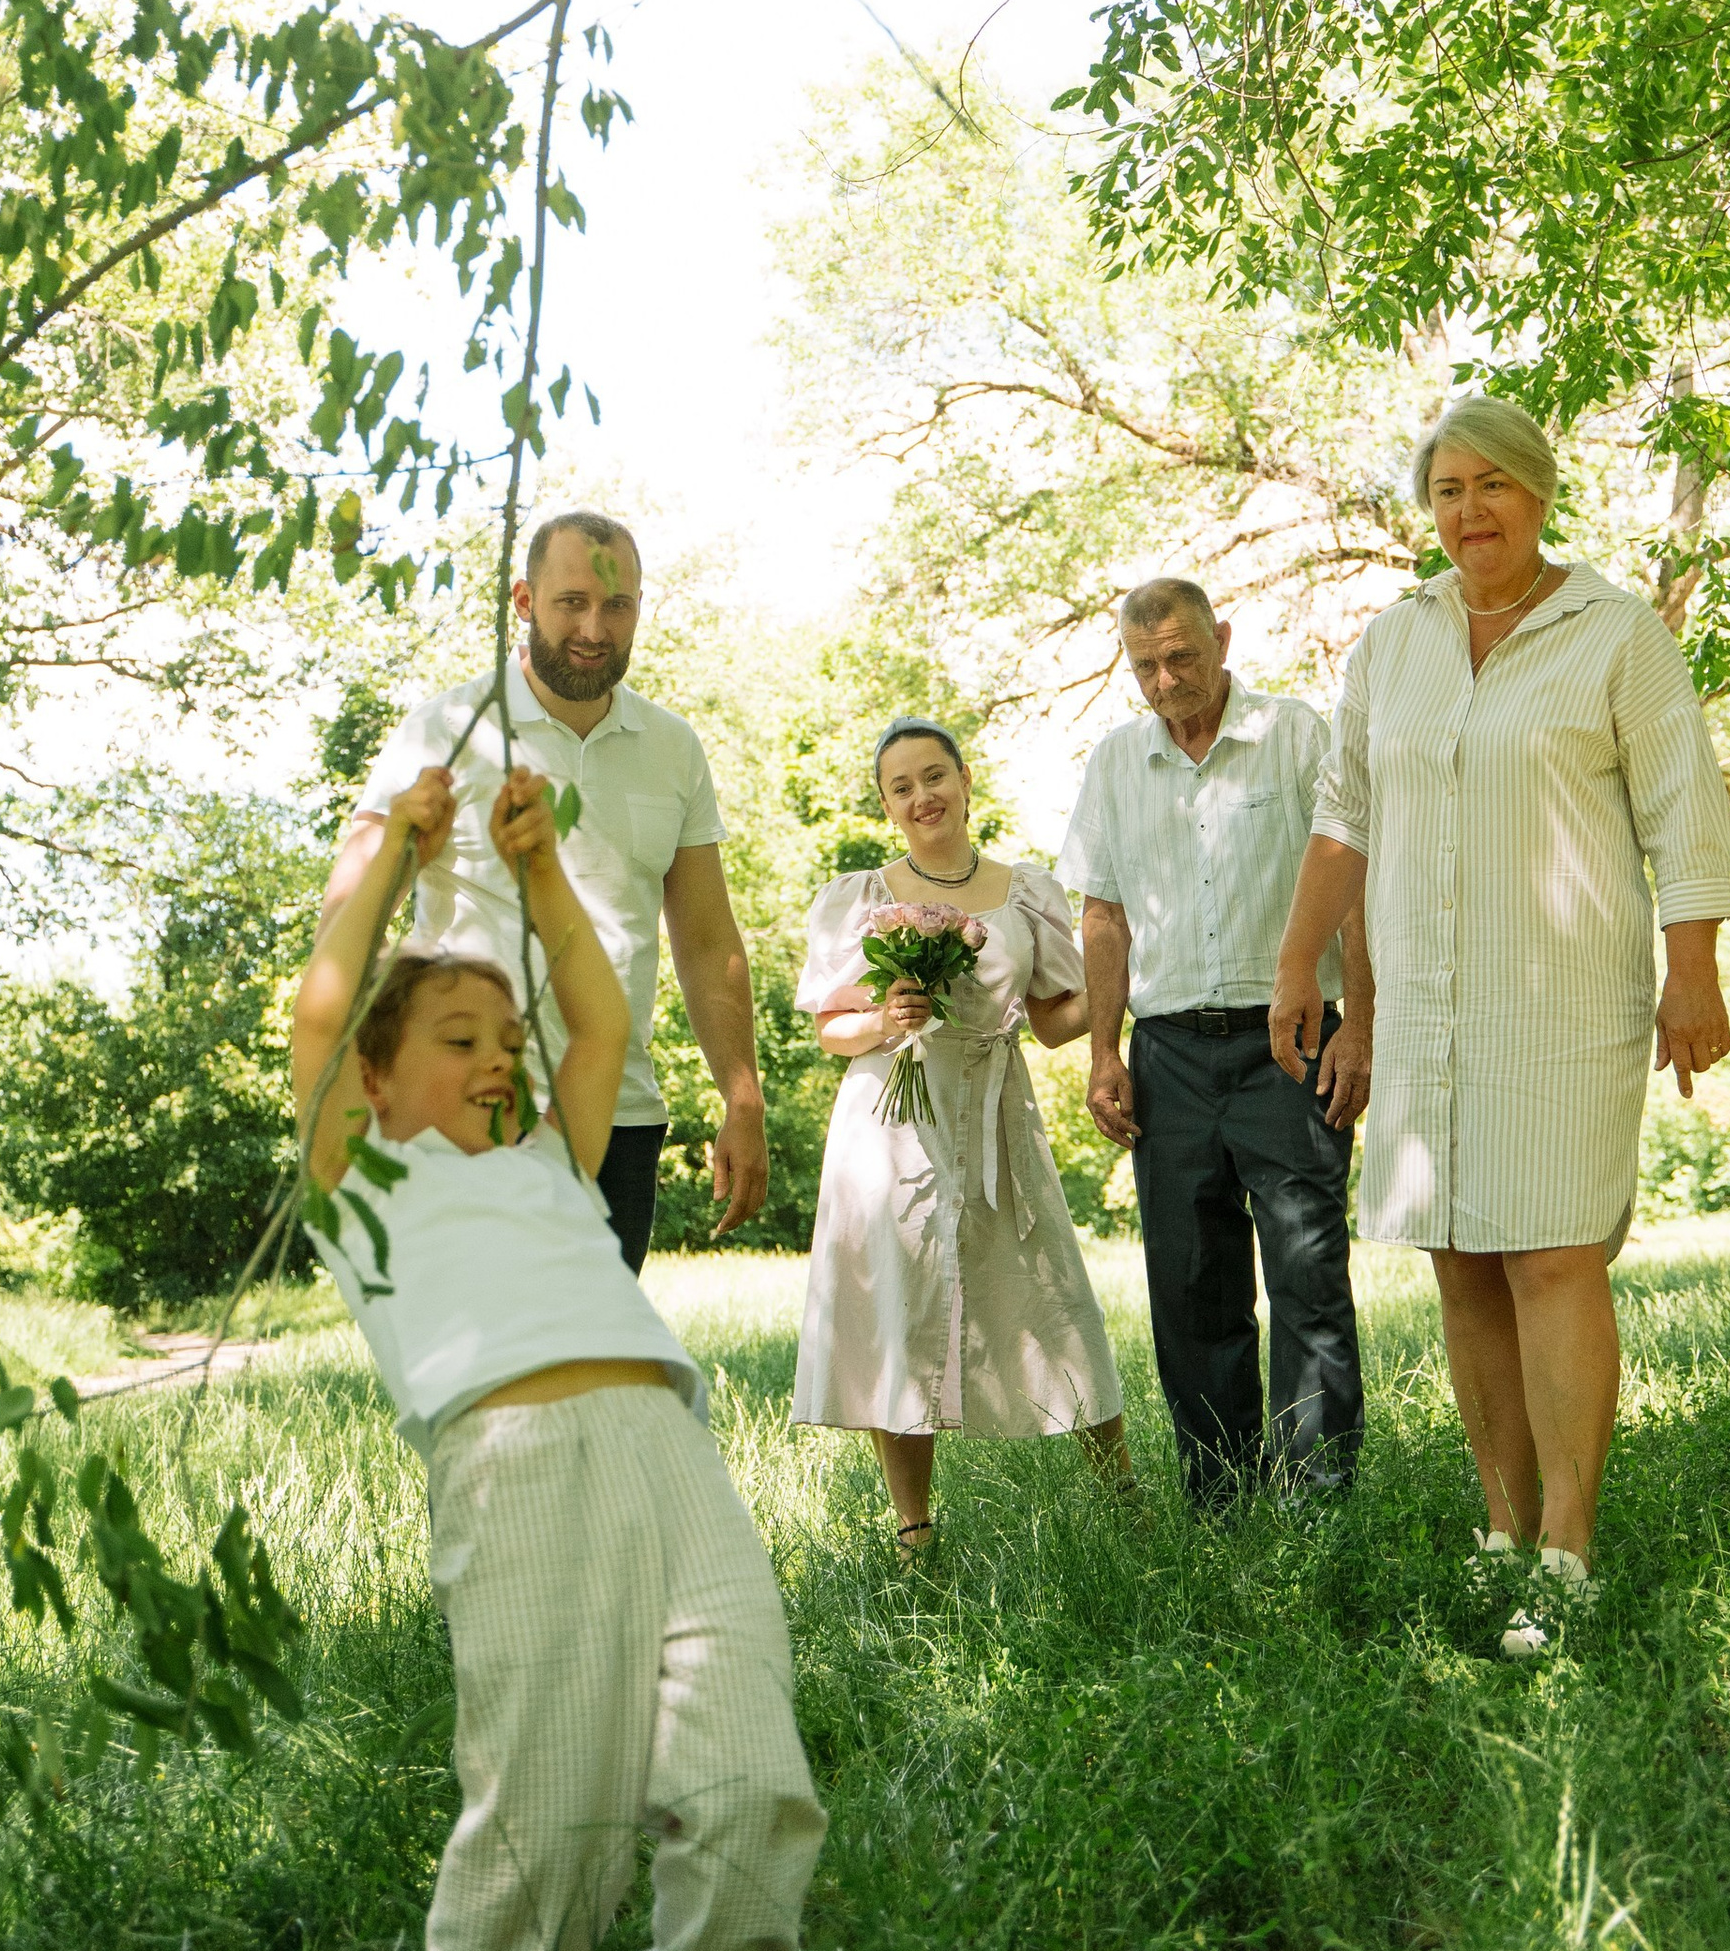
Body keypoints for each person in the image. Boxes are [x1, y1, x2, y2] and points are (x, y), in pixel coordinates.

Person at [295, 761, 824, 1951]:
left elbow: (604, 1019)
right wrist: (396, 852)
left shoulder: (552, 1158)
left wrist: (540, 866)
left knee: (751, 1790)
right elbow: (322, 1011)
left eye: (506, 1040)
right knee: (548, 1838)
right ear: (374, 1081)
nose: (498, 1058)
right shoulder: (364, 1180)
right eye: (458, 1037)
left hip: (671, 1461)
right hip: (515, 1469)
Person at [1269, 395, 1730, 1654]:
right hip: (1423, 997)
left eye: (1491, 487)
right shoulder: (1394, 643)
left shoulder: (1614, 631)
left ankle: (1570, 1556)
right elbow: (1342, 814)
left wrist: (1690, 966)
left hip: (1563, 993)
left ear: (1537, 493)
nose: (1467, 513)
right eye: (1446, 492)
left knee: (1549, 1253)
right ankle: (1501, 1534)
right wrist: (1298, 961)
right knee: (1460, 1260)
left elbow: (1682, 808)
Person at [324, 508, 769, 1267]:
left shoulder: (673, 748)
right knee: (481, 1370)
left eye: (616, 605)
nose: (595, 628)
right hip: (464, 1106)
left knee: (594, 1371)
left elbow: (705, 939)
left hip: (617, 1116)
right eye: (571, 602)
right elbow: (348, 917)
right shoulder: (446, 730)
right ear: (524, 601)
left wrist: (742, 1094)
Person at [1059, 576, 1373, 1507]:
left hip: (1293, 1046)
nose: (1165, 680)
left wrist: (1359, 1027)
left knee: (1307, 1274)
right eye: (1146, 665)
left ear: (1222, 639)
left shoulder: (1297, 736)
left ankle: (1316, 1500)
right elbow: (1104, 918)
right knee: (1193, 1291)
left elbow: (1352, 888)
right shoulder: (1115, 762)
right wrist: (1104, 1054)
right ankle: (1222, 1502)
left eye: (1182, 657)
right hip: (1169, 1060)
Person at [791, 718, 1130, 1552]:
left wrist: (1127, 971)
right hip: (892, 1121)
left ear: (966, 780)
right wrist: (882, 1017)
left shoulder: (1025, 892)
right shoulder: (865, 897)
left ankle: (1125, 1498)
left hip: (994, 1108)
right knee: (899, 1309)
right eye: (901, 787)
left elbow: (1053, 1022)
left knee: (1052, 1291)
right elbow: (829, 1028)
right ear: (886, 805)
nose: (922, 797)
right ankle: (915, 1531)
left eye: (934, 776)